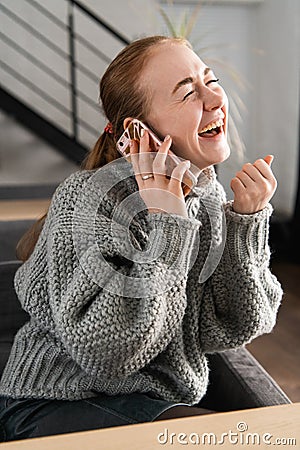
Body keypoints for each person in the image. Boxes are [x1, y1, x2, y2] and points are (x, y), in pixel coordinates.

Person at [0, 35, 282, 442]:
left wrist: (245, 222)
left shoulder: (207, 196)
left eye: (211, 79)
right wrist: (167, 226)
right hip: (55, 403)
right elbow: (107, 355)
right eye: (187, 93)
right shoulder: (87, 200)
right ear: (136, 131)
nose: (215, 99)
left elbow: (238, 326)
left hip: (155, 402)